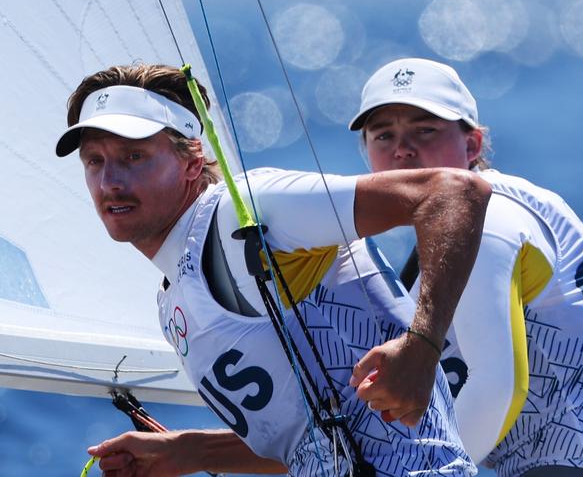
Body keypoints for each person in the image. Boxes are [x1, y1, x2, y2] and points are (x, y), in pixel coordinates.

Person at [58, 63, 491, 476]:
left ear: (192, 161)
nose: (110, 181)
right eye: (94, 160)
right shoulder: (173, 298)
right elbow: (313, 442)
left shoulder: (248, 209)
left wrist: (423, 344)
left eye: (134, 156)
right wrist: (187, 451)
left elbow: (455, 192)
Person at [348, 58, 583, 476]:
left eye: (425, 130)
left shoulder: (487, 223)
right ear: (367, 154)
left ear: (472, 146)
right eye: (384, 135)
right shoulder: (499, 210)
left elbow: (497, 390)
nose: (403, 149)